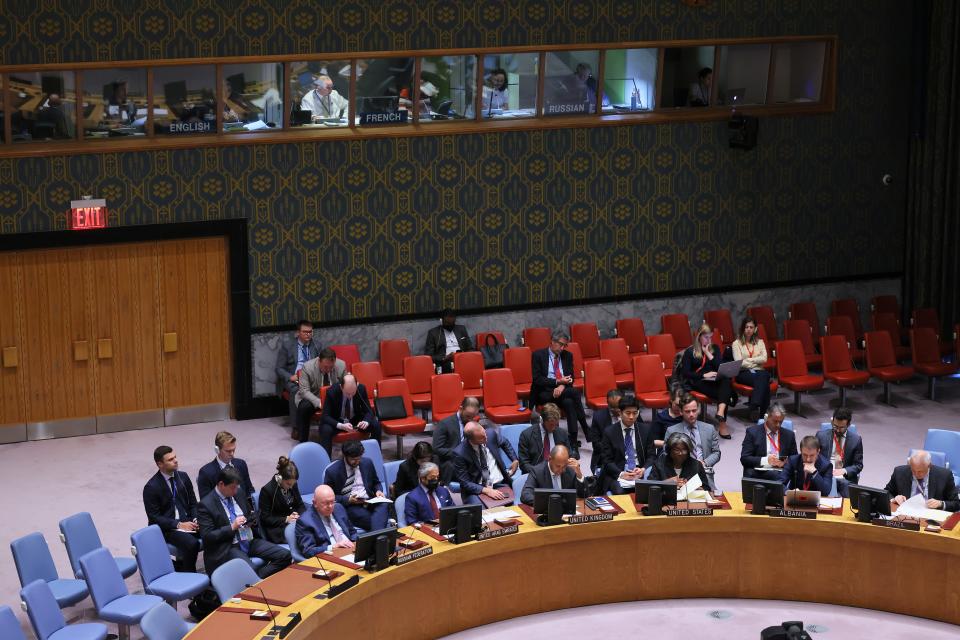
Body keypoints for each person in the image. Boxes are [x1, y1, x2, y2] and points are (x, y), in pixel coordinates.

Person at [198, 467, 291, 578]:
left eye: (237, 488)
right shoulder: (206, 504)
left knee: (285, 556)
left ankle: (257, 579)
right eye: (233, 488)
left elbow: (249, 514)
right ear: (221, 484)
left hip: (248, 539)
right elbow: (207, 536)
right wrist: (232, 527)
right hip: (228, 546)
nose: (235, 491)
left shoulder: (238, 493)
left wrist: (251, 520)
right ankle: (255, 581)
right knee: (251, 570)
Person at [143, 446, 200, 572]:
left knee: (213, 530)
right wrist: (179, 525)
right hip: (168, 528)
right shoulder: (151, 487)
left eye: (175, 457)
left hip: (188, 521)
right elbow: (154, 518)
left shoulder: (183, 477)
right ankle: (189, 577)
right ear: (160, 464)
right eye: (170, 459)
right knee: (191, 544)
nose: (175, 461)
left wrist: (196, 518)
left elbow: (193, 503)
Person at [530, 332, 589, 456]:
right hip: (545, 393)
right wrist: (557, 381)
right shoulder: (538, 355)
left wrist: (562, 385)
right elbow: (537, 379)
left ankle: (572, 442)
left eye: (565, 345)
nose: (562, 348)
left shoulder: (568, 355)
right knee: (574, 393)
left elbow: (571, 377)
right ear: (552, 342)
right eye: (561, 345)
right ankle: (585, 428)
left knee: (569, 403)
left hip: (563, 392)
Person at [679, 323, 733, 438]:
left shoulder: (715, 349)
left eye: (710, 337)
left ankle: (720, 412)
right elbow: (686, 373)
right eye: (706, 337)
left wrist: (708, 353)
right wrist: (704, 374)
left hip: (714, 380)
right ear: (699, 337)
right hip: (698, 381)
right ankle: (722, 424)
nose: (709, 340)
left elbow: (720, 366)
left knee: (726, 381)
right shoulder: (690, 352)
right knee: (725, 392)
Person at [323, 440, 389, 531]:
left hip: (370, 500)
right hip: (351, 505)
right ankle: (381, 536)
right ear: (345, 456)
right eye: (353, 459)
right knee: (376, 521)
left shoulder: (367, 463)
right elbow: (328, 497)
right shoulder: (332, 471)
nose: (357, 462)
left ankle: (377, 535)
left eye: (359, 458)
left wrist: (378, 490)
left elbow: (376, 482)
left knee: (384, 504)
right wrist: (347, 499)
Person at [665, 393, 721, 492]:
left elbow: (716, 452)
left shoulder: (709, 429)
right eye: (687, 411)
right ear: (681, 412)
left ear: (698, 410)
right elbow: (666, 454)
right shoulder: (671, 431)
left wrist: (704, 463)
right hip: (680, 473)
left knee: (711, 498)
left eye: (694, 411)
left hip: (704, 472)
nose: (691, 414)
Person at [599, 395, 655, 494]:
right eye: (628, 413)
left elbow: (651, 456)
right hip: (619, 472)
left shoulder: (645, 430)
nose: (631, 417)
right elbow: (606, 460)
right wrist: (621, 474)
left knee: (650, 491)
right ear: (620, 413)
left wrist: (643, 469)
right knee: (620, 492)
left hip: (639, 471)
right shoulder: (609, 432)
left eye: (635, 413)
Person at [452, 422, 514, 505]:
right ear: (471, 440)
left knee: (516, 506)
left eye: (484, 434)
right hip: (477, 490)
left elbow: (505, 442)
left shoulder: (490, 434)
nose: (486, 439)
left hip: (499, 484)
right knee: (483, 513)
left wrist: (515, 460)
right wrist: (487, 491)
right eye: (481, 439)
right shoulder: (459, 453)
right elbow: (465, 483)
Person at [318, 373, 381, 455]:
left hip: (355, 419)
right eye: (347, 393)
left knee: (376, 424)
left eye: (353, 393)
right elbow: (325, 416)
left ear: (357, 385)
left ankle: (375, 456)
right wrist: (341, 425)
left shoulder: (361, 389)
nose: (350, 396)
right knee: (325, 429)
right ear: (341, 387)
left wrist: (366, 421)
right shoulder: (332, 392)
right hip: (337, 420)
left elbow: (369, 411)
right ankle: (326, 462)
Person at [294, 347, 347, 443]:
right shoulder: (307, 367)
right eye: (325, 367)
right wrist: (319, 402)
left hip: (333, 398)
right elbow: (304, 390)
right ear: (319, 361)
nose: (328, 370)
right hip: (315, 397)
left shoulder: (341, 365)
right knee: (304, 407)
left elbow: (345, 386)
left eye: (331, 367)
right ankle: (303, 441)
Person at [275, 320, 321, 427]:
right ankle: (296, 426)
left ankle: (323, 419)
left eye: (310, 332)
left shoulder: (317, 345)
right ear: (298, 332)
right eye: (305, 332)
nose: (308, 334)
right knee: (297, 391)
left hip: (312, 377)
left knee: (327, 388)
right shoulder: (287, 346)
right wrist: (290, 377)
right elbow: (279, 368)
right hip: (294, 377)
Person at [885, 450, 959, 512]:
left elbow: (956, 503)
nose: (916, 474)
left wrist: (941, 504)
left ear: (929, 465)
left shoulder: (945, 475)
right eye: (913, 470)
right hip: (905, 513)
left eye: (920, 471)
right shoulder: (899, 472)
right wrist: (894, 499)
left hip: (931, 516)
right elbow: (886, 493)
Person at [295, 485, 358, 558]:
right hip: (330, 555)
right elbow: (308, 551)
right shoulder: (305, 521)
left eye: (332, 502)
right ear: (315, 503)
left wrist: (356, 543)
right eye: (326, 503)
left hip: (351, 550)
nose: (330, 506)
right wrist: (333, 546)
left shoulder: (338, 508)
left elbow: (352, 532)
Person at [740, 404, 798, 481]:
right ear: (766, 418)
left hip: (781, 472)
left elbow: (795, 459)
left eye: (780, 422)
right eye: (775, 421)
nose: (778, 425)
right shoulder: (752, 432)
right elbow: (745, 458)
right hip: (759, 471)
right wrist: (766, 460)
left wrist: (785, 462)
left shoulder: (789, 435)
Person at [815, 407, 863, 498]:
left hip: (845, 478)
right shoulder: (821, 436)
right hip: (825, 476)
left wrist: (843, 471)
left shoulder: (856, 440)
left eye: (841, 428)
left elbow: (858, 465)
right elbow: (814, 458)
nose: (837, 430)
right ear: (832, 422)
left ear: (848, 425)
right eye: (835, 426)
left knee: (847, 502)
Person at [257, 456, 306, 544]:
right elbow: (265, 518)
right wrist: (286, 519)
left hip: (295, 522)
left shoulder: (293, 484)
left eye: (293, 484)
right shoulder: (267, 490)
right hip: (278, 529)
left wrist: (298, 514)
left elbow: (300, 505)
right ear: (280, 478)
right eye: (288, 484)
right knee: (304, 538)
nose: (291, 487)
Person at [731, 317, 772, 421]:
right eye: (746, 327)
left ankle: (754, 405)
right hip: (743, 373)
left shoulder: (760, 342)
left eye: (751, 327)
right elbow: (739, 363)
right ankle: (763, 414)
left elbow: (764, 358)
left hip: (759, 372)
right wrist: (755, 361)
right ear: (743, 329)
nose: (749, 329)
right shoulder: (736, 343)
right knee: (765, 379)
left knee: (763, 376)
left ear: (755, 329)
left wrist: (748, 360)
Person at [432, 397, 481, 482]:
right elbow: (437, 449)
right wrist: (457, 453)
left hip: (469, 458)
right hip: (450, 460)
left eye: (473, 417)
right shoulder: (444, 424)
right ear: (461, 409)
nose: (470, 419)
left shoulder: (472, 423)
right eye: (468, 416)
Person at [196, 431, 255, 500]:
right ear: (217, 450)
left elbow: (249, 489)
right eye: (228, 451)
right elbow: (206, 502)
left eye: (234, 450)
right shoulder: (206, 473)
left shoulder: (241, 464)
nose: (232, 454)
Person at [520, 444, 586, 506]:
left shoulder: (570, 470)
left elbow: (584, 495)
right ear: (550, 459)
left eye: (564, 466)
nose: (561, 470)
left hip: (567, 513)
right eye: (558, 466)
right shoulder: (537, 471)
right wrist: (549, 504)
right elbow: (525, 495)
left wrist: (579, 475)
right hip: (546, 512)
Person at [518, 403, 573, 475]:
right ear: (542, 420)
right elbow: (523, 463)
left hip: (559, 472)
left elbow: (569, 455)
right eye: (551, 425)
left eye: (556, 424)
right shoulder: (526, 435)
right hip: (536, 475)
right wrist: (539, 473)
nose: (554, 428)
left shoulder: (562, 433)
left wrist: (571, 462)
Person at [647, 432, 712, 492]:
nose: (680, 453)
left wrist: (694, 487)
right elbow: (649, 487)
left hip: (690, 502)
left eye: (684, 449)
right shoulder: (659, 464)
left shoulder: (697, 465)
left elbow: (707, 489)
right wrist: (667, 482)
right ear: (669, 450)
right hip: (666, 501)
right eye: (677, 450)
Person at [423, 309, 472, 373]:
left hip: (462, 358)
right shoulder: (433, 333)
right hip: (446, 362)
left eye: (452, 324)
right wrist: (445, 358)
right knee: (449, 366)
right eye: (447, 324)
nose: (450, 326)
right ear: (441, 321)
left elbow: (470, 348)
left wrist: (464, 354)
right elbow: (428, 356)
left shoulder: (461, 329)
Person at [651, 383, 685, 451]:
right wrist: (671, 444)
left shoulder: (688, 415)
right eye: (677, 405)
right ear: (671, 400)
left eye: (682, 405)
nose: (680, 408)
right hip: (667, 449)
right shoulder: (661, 417)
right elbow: (653, 442)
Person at [588, 389, 623, 453]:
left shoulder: (632, 413)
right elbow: (596, 445)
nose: (615, 410)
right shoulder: (598, 417)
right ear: (607, 403)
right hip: (608, 454)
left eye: (618, 407)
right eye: (612, 407)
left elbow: (642, 436)